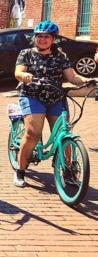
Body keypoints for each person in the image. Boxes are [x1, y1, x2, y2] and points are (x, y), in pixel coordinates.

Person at [13, 21, 95, 187]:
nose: (42, 39)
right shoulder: (26, 53)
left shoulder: (60, 56)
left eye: (46, 37)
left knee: (63, 133)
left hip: (56, 97)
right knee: (32, 132)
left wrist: (88, 81)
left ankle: (68, 171)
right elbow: (18, 72)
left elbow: (72, 77)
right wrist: (25, 76)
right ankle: (20, 171)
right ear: (35, 38)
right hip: (32, 95)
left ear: (53, 39)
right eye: (39, 36)